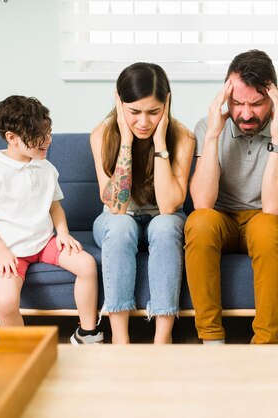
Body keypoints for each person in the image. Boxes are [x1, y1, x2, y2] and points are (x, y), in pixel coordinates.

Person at [185, 49, 278, 344]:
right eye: (237, 102)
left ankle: (266, 343)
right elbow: (202, 203)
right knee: (199, 221)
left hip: (264, 217)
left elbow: (273, 207)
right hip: (221, 219)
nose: (245, 113)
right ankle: (211, 338)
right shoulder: (207, 127)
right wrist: (213, 136)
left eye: (256, 103)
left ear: (274, 99)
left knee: (267, 227)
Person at [0, 95, 102, 345]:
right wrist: (2, 252)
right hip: (10, 250)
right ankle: (23, 350)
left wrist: (62, 233)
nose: (48, 140)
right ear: (12, 138)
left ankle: (87, 332)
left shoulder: (46, 168)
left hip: (44, 242)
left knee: (86, 265)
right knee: (6, 302)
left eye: (48, 132)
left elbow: (55, 207)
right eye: (39, 135)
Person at [90, 62, 195, 344]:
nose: (144, 122)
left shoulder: (183, 137)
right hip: (116, 221)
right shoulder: (102, 133)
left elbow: (169, 206)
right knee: (122, 225)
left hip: (163, 220)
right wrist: (126, 140)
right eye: (134, 112)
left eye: (153, 112)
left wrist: (161, 144)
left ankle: (163, 339)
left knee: (163, 226)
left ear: (166, 105)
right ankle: (120, 339)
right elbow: (115, 206)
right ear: (119, 102)